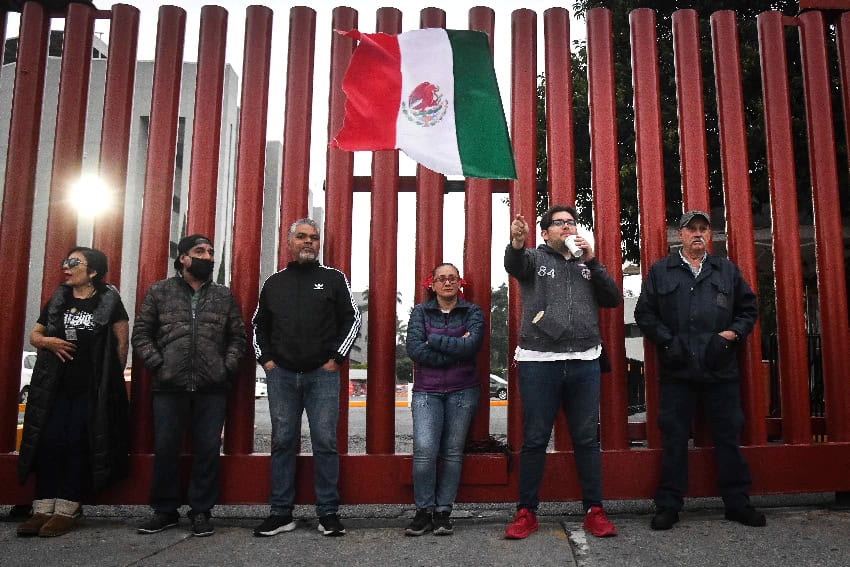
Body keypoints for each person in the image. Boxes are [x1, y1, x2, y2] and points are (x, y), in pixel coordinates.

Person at [634, 210, 765, 530]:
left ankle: (737, 503)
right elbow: (645, 314)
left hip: (719, 370)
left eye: (703, 229)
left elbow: (748, 309)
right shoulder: (661, 272)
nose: (697, 234)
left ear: (709, 235)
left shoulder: (727, 271)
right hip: (677, 371)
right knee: (674, 439)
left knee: (728, 436)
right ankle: (668, 505)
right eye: (691, 229)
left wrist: (731, 334)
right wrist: (667, 342)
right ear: (680, 235)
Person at [503, 205, 620, 540]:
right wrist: (515, 243)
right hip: (539, 361)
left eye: (572, 223)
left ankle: (594, 511)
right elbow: (514, 264)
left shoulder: (586, 264)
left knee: (586, 438)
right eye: (559, 224)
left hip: (585, 360)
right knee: (536, 438)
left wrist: (593, 261)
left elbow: (611, 298)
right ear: (544, 233)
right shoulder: (533, 260)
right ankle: (526, 512)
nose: (567, 228)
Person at [252, 218, 361, 538]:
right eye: (301, 237)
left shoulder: (333, 279)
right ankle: (280, 513)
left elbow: (352, 319)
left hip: (321, 376)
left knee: (325, 443)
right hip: (282, 375)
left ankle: (328, 513)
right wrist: (267, 361)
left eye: (314, 237)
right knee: (283, 441)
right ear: (289, 243)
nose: (308, 242)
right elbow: (259, 325)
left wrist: (337, 359)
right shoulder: (274, 282)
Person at [133, 234, 247, 537]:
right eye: (200, 252)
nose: (208, 257)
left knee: (208, 450)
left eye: (210, 252)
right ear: (183, 258)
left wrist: (225, 368)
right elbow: (142, 334)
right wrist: (160, 365)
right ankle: (165, 510)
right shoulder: (159, 291)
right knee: (166, 449)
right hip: (169, 386)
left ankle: (201, 511)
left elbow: (238, 337)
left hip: (212, 387)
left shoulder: (223, 295)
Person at [17, 247, 130, 537]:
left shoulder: (109, 301)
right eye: (65, 262)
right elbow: (35, 334)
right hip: (53, 386)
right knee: (49, 440)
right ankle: (42, 508)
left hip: (90, 388)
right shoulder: (58, 298)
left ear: (92, 272)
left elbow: (121, 344)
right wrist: (49, 343)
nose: (66, 268)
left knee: (77, 442)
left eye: (74, 263)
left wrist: (110, 381)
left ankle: (67, 508)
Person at [403, 263, 485, 536]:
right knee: (425, 450)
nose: (447, 283)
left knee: (452, 452)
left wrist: (433, 339)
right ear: (432, 284)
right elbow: (415, 350)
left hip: (463, 390)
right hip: (427, 391)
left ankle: (443, 513)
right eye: (442, 278)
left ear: (459, 283)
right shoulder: (419, 312)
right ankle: (423, 511)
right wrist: (454, 347)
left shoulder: (473, 312)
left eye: (452, 278)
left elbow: (471, 347)